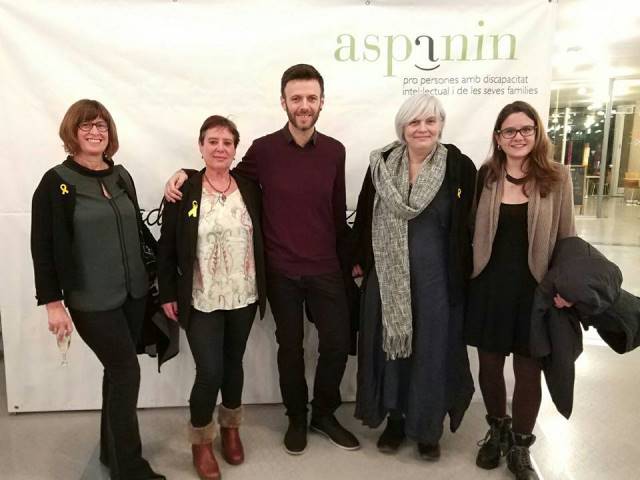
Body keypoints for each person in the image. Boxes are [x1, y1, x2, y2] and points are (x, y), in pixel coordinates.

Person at [164, 64, 359, 456]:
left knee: (337, 343)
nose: (304, 105)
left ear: (322, 102)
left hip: (325, 267)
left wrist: (350, 259)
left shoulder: (335, 151)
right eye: (296, 98)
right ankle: (297, 418)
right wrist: (185, 173)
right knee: (290, 348)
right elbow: (223, 175)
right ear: (283, 102)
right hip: (281, 270)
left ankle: (323, 413)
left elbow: (337, 213)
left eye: (311, 98)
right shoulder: (264, 150)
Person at [30, 99, 164, 480]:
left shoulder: (121, 176)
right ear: (72, 131)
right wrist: (53, 304)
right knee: (126, 372)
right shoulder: (55, 182)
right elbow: (43, 246)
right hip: (90, 300)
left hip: (133, 294)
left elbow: (137, 230)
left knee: (116, 372)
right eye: (86, 125)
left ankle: (111, 452)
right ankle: (130, 469)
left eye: (101, 125)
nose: (95, 132)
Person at [351, 93, 476, 460]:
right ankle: (395, 419)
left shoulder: (458, 167)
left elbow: (469, 224)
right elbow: (364, 216)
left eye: (430, 121)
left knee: (432, 353)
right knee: (391, 350)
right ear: (402, 127)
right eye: (414, 122)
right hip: (387, 279)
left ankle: (427, 428)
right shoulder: (381, 165)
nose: (422, 128)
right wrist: (358, 259)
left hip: (436, 281)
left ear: (441, 125)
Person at [466, 101, 575, 480]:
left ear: (537, 132)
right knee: (489, 367)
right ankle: (498, 430)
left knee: (528, 371)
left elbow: (568, 237)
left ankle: (521, 446)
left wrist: (564, 286)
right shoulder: (486, 175)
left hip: (535, 292)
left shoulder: (557, 177)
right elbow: (470, 230)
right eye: (509, 130)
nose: (518, 137)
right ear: (498, 137)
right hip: (489, 287)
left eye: (526, 129)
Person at [157, 115, 266, 480]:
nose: (220, 148)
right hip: (201, 296)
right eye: (213, 141)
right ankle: (202, 440)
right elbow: (167, 248)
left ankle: (231, 428)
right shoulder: (183, 190)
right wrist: (167, 292)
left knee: (233, 364)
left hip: (243, 294)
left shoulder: (250, 188)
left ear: (235, 149)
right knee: (210, 371)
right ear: (201, 146)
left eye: (227, 142)